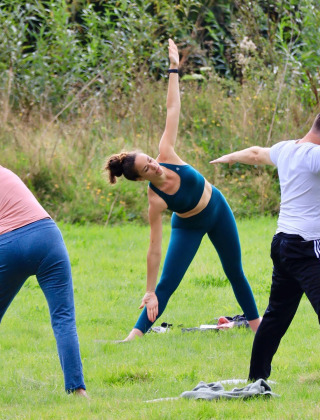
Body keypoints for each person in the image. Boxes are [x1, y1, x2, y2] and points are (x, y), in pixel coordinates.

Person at [105, 39, 261, 342]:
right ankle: (133, 337)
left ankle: (259, 329)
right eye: (149, 169)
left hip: (217, 208)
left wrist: (174, 67)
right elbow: (154, 248)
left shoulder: (166, 153)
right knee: (167, 284)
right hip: (188, 225)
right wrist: (149, 291)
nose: (156, 167)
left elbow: (172, 106)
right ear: (140, 179)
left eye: (151, 161)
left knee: (234, 271)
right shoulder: (155, 199)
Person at [211, 113, 320, 380]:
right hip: (306, 248)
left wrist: (232, 156)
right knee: (276, 317)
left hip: (282, 244)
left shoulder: (286, 148)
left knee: (275, 318)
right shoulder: (314, 157)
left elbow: (257, 153)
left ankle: (256, 379)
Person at [0, 165, 87, 396]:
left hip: (7, 245)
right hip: (47, 236)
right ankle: (78, 390)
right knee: (63, 319)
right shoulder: (5, 172)